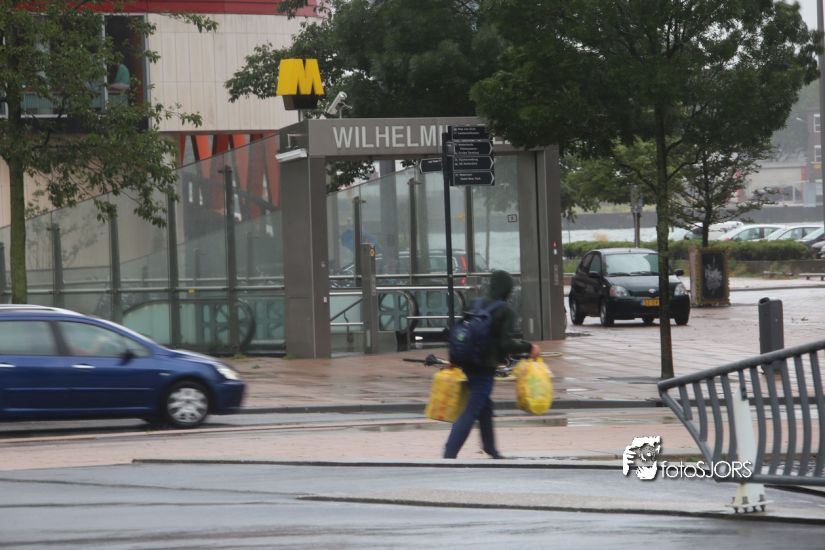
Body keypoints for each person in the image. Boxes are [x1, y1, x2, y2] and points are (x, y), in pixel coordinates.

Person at [443, 270, 540, 459]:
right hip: (484, 367)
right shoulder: (505, 311)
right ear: (508, 290)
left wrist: (454, 359)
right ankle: (449, 455)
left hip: (466, 362)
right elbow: (506, 344)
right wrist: (529, 348)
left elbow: (460, 332)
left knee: (485, 405)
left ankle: (491, 449)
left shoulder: (475, 303)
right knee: (471, 410)